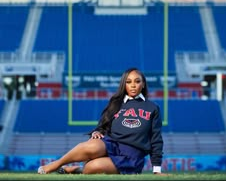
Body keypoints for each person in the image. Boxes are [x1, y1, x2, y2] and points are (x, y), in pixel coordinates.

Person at [37, 67, 165, 175]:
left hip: (132, 155)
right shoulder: (116, 103)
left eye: (137, 81)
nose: (133, 85)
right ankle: (57, 164)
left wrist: (157, 170)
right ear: (124, 84)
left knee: (92, 167)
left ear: (143, 84)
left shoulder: (152, 108)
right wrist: (98, 131)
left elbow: (156, 140)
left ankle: (77, 169)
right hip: (111, 143)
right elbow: (103, 125)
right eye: (128, 81)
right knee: (92, 144)